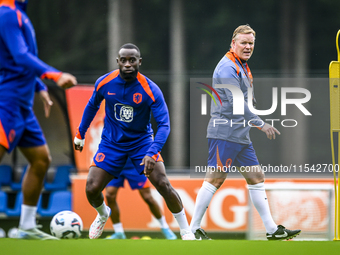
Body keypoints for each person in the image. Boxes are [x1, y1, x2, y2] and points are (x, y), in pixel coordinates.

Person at [190, 25, 301, 240]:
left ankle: (271, 230)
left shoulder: (241, 66)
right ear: (233, 44)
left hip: (240, 135)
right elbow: (235, 102)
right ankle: (192, 229)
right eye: (243, 42)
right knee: (215, 179)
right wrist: (262, 124)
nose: (248, 46)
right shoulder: (226, 68)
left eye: (251, 43)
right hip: (224, 133)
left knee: (256, 177)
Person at [74, 43, 195, 240]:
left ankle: (185, 231)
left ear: (139, 62)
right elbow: (92, 105)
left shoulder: (151, 89)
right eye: (124, 60)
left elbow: (164, 125)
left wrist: (152, 151)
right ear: (118, 62)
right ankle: (104, 214)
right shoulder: (105, 82)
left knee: (163, 183)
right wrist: (80, 134)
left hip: (142, 143)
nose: (128, 64)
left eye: (132, 60)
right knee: (91, 188)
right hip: (111, 143)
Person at [0, 0, 77, 240]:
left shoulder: (19, 14)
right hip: (6, 102)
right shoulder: (6, 13)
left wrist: (39, 86)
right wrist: (53, 75)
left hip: (22, 105)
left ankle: (26, 226)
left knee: (41, 160)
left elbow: (16, 61)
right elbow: (20, 57)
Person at [105, 158, 177, 240]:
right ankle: (119, 232)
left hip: (135, 165)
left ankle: (165, 227)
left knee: (148, 197)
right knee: (109, 195)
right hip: (116, 164)